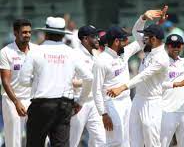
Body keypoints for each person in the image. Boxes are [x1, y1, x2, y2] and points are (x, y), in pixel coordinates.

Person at [92, 8, 166, 146]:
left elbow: (141, 37)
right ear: (116, 42)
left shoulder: (123, 53)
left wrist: (144, 18)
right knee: (115, 141)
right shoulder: (101, 61)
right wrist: (103, 114)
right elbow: (96, 90)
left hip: (127, 102)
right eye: (124, 39)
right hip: (111, 104)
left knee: (128, 142)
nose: (127, 41)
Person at [19, 16, 93, 146]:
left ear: (46, 33)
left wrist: (38, 81)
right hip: (64, 105)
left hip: (41, 105)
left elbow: (23, 80)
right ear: (62, 34)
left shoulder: (36, 51)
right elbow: (89, 77)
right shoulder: (72, 53)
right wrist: (80, 101)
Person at [0, 19, 37, 147]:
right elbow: (5, 80)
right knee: (14, 141)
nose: (27, 35)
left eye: (29, 32)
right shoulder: (6, 52)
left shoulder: (37, 50)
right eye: (24, 32)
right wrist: (16, 102)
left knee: (39, 139)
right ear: (15, 33)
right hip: (12, 100)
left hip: (34, 100)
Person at [69, 25, 106, 147]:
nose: (98, 39)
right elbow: (68, 81)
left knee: (101, 141)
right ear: (85, 39)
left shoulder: (95, 55)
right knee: (71, 142)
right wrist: (90, 82)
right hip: (77, 103)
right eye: (94, 37)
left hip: (94, 103)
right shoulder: (74, 54)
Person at [160, 34, 184, 147]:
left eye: (178, 45)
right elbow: (156, 85)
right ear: (167, 46)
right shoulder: (161, 63)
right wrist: (176, 84)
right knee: (161, 144)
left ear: (182, 46)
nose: (175, 48)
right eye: (172, 45)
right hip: (166, 110)